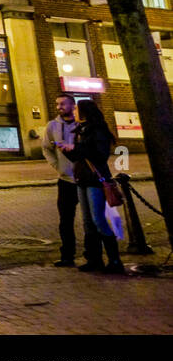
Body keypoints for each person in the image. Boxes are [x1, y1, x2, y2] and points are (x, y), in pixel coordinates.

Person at [60, 99, 124, 274]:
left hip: (95, 179)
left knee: (98, 220)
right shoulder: (80, 130)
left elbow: (100, 155)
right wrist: (68, 150)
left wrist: (76, 147)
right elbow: (80, 157)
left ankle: (114, 260)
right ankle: (94, 259)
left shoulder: (98, 130)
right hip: (81, 178)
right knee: (88, 222)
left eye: (77, 109)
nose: (74, 112)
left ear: (85, 112)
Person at [41, 94, 79, 266]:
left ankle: (94, 255)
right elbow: (46, 149)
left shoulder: (83, 124)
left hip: (84, 179)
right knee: (65, 221)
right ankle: (67, 256)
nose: (59, 107)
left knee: (92, 219)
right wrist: (57, 166)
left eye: (63, 104)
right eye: (57, 104)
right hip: (65, 180)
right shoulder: (53, 126)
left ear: (73, 105)